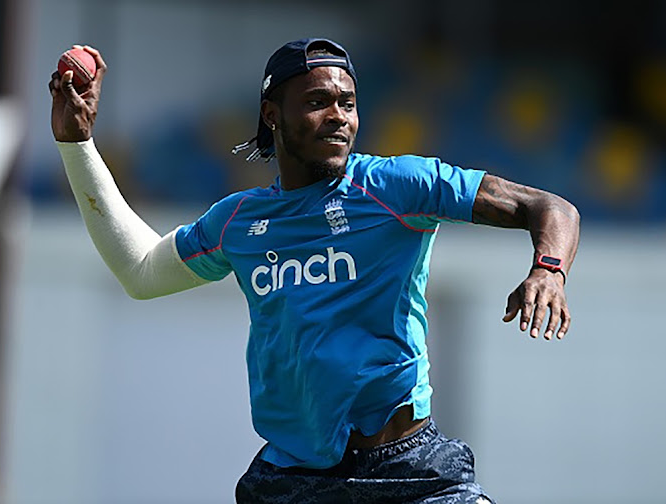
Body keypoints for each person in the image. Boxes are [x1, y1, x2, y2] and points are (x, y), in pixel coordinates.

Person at [49, 39, 580, 504]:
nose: (339, 116)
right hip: (292, 482)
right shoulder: (238, 219)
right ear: (272, 114)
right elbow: (140, 271)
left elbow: (551, 208)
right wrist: (77, 145)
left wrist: (548, 270)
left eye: (347, 103)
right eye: (317, 102)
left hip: (408, 471)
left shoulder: (397, 186)